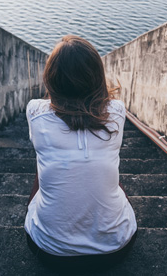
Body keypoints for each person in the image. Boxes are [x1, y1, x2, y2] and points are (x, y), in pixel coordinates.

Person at [24, 35, 137, 272]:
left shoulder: (35, 112)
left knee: (43, 166)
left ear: (51, 79)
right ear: (97, 77)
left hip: (51, 251)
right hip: (115, 248)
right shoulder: (117, 112)